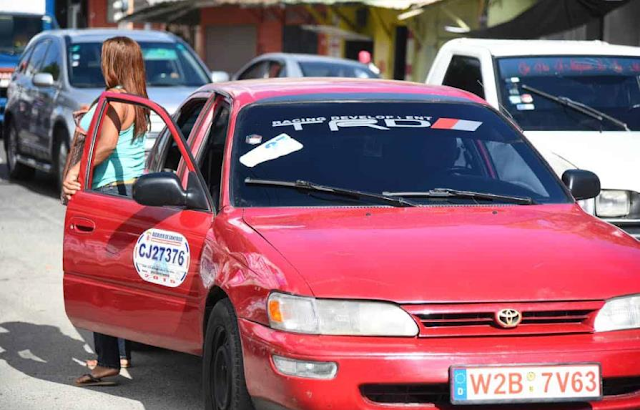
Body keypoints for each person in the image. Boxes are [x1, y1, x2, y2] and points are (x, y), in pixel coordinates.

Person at [62, 36, 149, 386]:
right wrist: (92, 116)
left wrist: (75, 171)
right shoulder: (138, 99)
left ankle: (107, 363)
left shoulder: (114, 99)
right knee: (122, 278)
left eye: (103, 58)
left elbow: (107, 145)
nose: (101, 64)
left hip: (109, 193)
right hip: (133, 192)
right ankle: (121, 352)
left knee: (99, 278)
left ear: (112, 62)